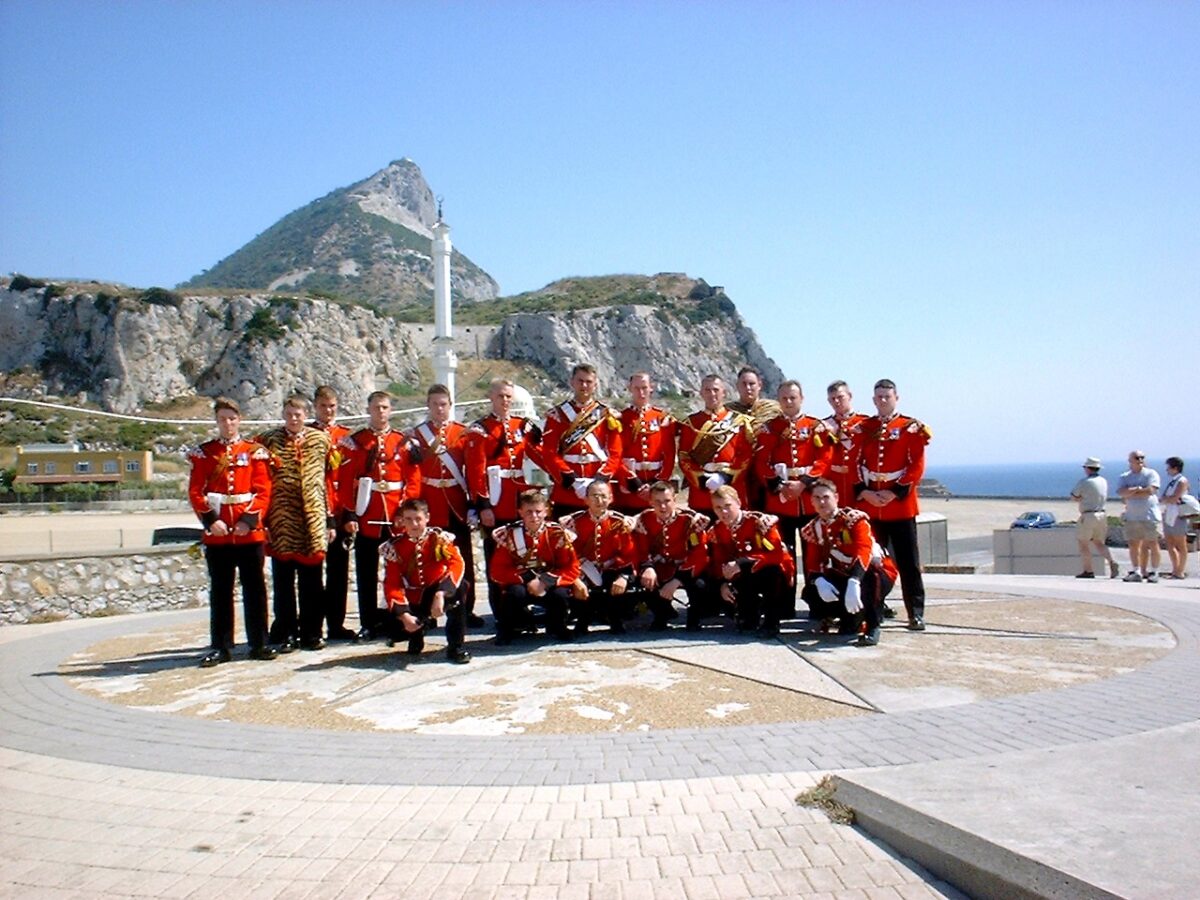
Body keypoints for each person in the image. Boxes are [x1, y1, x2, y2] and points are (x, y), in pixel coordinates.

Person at [187, 397, 277, 667]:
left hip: (248, 533)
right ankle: (221, 646)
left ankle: (259, 643)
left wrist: (248, 521)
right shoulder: (205, 453)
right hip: (219, 533)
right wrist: (211, 520)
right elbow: (196, 491)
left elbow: (263, 491)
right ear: (216, 421)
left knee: (255, 589)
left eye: (232, 419)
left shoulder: (254, 451)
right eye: (223, 419)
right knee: (221, 590)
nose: (228, 424)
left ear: (240, 421)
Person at [850, 379, 932, 631]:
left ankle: (915, 612)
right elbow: (854, 462)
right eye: (879, 397)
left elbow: (916, 465)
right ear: (873, 400)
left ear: (897, 397)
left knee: (908, 563)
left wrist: (895, 492)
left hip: (900, 506)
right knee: (872, 561)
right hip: (872, 505)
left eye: (887, 396)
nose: (883, 400)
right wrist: (865, 492)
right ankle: (874, 609)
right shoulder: (864, 428)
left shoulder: (910, 428)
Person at [256, 394, 336, 652]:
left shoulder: (321, 440)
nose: (293, 419)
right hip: (281, 520)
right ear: (283, 414)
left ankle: (312, 632)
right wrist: (262, 520)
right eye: (289, 414)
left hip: (313, 519)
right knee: (283, 581)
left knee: (313, 582)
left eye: (298, 414)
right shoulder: (268, 440)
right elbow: (261, 481)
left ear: (306, 415)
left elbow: (330, 482)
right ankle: (285, 632)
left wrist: (330, 519)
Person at [339, 391, 421, 638]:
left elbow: (413, 481)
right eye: (376, 407)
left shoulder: (403, 441)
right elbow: (345, 483)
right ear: (369, 409)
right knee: (366, 571)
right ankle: (368, 623)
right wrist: (351, 515)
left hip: (397, 515)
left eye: (385, 407)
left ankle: (402, 619)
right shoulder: (356, 442)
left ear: (391, 410)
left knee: (400, 570)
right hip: (368, 514)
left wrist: (404, 513)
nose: (381, 412)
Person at [466, 378, 542, 618]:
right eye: (501, 396)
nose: (505, 401)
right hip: (496, 504)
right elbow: (476, 472)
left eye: (509, 396)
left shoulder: (522, 427)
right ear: (491, 397)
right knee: (497, 560)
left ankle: (522, 610)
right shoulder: (481, 429)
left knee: (525, 556)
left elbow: (539, 458)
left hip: (519, 502)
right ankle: (501, 614)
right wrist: (484, 506)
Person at [754, 380, 832, 615]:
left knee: (814, 556)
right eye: (784, 398)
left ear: (802, 398)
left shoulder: (816, 426)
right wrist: (779, 486)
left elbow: (824, 458)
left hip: (809, 500)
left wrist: (804, 483)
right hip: (782, 501)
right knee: (783, 555)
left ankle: (817, 605)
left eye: (793, 398)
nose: (789, 402)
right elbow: (762, 461)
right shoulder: (769, 428)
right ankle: (784, 606)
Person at [409, 384, 481, 626]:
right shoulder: (417, 435)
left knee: (462, 558)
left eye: (444, 404)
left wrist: (473, 504)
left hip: (456, 503)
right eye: (435, 404)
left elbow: (470, 471)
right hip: (430, 502)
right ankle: (427, 611)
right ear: (428, 406)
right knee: (429, 560)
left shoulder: (462, 433)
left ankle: (465, 609)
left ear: (450, 406)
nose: (439, 409)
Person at [800, 480, 897, 646]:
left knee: (870, 581)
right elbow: (813, 562)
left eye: (826, 497)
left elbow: (863, 551)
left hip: (873, 573)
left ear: (836, 498)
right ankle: (845, 616)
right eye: (817, 498)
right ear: (812, 502)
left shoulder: (854, 520)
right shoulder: (813, 528)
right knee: (811, 593)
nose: (822, 502)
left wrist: (854, 581)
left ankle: (873, 626)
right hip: (843, 573)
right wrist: (819, 581)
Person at [380, 498, 471, 664]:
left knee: (459, 590)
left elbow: (456, 564)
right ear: (401, 521)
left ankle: (456, 647)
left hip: (436, 590)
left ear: (427, 518)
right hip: (413, 596)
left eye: (418, 519)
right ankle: (417, 634)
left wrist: (441, 593)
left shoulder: (439, 539)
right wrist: (404, 614)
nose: (414, 524)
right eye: (408, 519)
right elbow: (392, 583)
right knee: (390, 627)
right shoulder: (395, 547)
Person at [489, 489, 581, 646]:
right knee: (514, 593)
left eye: (538, 511)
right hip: (521, 583)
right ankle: (510, 628)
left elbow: (571, 567)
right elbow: (497, 570)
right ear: (520, 513)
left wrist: (545, 581)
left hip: (548, 583)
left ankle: (557, 625)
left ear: (546, 512)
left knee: (561, 594)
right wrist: (527, 578)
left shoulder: (557, 534)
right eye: (529, 512)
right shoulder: (510, 535)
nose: (534, 516)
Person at [705, 485, 794, 637]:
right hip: (742, 576)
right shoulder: (716, 531)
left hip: (771, 574)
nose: (724, 512)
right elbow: (718, 562)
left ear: (739, 503)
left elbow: (776, 555)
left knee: (772, 572)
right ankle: (749, 613)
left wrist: (742, 563)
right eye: (718, 508)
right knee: (742, 619)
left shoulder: (759, 523)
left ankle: (771, 622)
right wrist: (723, 584)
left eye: (728, 506)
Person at [539, 364, 623, 516]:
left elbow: (615, 453)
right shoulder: (558, 415)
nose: (584, 386)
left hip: (599, 490)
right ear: (572, 382)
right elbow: (549, 452)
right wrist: (572, 479)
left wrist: (600, 478)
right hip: (568, 490)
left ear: (595, 384)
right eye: (580, 381)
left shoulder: (605, 414)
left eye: (589, 382)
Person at [311, 385, 358, 642]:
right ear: (315, 407)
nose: (328, 412)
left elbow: (351, 479)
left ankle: (336, 624)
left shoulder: (346, 437)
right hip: (317, 512)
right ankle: (313, 626)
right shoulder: (307, 435)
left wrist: (350, 514)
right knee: (314, 573)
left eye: (332, 407)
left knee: (339, 574)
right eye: (323, 407)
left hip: (340, 512)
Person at [630, 481, 711, 631]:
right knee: (645, 581)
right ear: (650, 502)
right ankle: (662, 614)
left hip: (685, 567)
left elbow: (699, 554)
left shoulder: (690, 520)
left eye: (667, 501)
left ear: (675, 499)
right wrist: (647, 567)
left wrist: (679, 579)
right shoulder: (643, 520)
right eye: (657, 502)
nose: (662, 507)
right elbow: (641, 550)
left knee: (700, 585)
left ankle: (694, 618)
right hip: (659, 567)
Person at [560, 479, 636, 635]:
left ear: (610, 499)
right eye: (594, 496)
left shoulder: (619, 522)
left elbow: (628, 553)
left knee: (614, 583)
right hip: (582, 568)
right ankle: (582, 620)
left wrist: (624, 576)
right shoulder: (572, 522)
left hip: (611, 566)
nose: (599, 501)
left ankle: (615, 620)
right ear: (586, 499)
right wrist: (575, 579)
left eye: (603, 496)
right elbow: (567, 554)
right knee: (580, 584)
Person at [678, 374, 755, 515]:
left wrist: (726, 476)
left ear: (724, 392)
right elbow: (684, 456)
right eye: (707, 390)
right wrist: (700, 478)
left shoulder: (739, 421)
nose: (712, 394)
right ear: (701, 393)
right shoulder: (691, 422)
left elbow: (746, 455)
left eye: (716, 390)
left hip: (731, 490)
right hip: (701, 494)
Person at [614, 372, 677, 514]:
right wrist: (632, 480)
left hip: (656, 484)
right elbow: (616, 454)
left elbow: (669, 453)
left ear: (651, 388)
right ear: (629, 388)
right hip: (630, 485)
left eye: (644, 387)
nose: (641, 392)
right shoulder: (622, 418)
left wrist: (658, 482)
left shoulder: (661, 417)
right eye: (636, 388)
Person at [726, 365, 780, 511]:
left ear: (760, 385)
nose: (748, 388)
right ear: (737, 386)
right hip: (738, 472)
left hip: (767, 471)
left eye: (752, 384)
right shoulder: (728, 411)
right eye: (744, 384)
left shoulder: (774, 409)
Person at [1070, 457, 1119, 579]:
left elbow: (1074, 496)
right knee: (1099, 542)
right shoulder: (1103, 481)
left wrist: (1081, 498)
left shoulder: (1085, 482)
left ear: (1087, 468)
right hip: (1101, 514)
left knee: (1083, 543)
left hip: (1088, 514)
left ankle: (1088, 570)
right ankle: (1112, 561)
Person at [1118, 450, 1162, 583]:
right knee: (1133, 544)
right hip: (1132, 516)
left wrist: (1132, 491)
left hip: (1149, 515)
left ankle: (1154, 571)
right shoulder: (1125, 476)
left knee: (1153, 543)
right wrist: (1137, 490)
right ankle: (1136, 571)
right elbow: (1121, 492)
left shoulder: (1151, 474)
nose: (1140, 459)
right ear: (1130, 460)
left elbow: (1150, 491)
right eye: (1137, 457)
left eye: (1142, 457)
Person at [822, 380, 867, 504]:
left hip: (858, 481)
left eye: (840, 397)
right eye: (832, 399)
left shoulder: (865, 422)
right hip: (833, 481)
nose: (836, 401)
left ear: (850, 396)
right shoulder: (824, 425)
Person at [1159, 457, 1190, 580]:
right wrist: (1166, 499)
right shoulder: (1173, 481)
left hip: (1178, 515)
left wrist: (1166, 499)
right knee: (1170, 543)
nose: (1167, 470)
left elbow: (1175, 498)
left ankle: (1180, 570)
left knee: (1181, 544)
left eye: (1169, 467)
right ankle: (1175, 569)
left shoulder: (1182, 481)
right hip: (1169, 514)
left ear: (1175, 468)